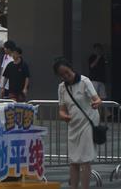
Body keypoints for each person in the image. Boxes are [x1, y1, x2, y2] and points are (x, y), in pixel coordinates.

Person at [55, 58, 103, 189]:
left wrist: (97, 103)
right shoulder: (62, 88)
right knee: (74, 160)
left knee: (85, 160)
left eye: (67, 73)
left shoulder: (84, 81)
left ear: (71, 69)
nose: (66, 76)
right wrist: (64, 116)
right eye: (62, 75)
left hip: (88, 122)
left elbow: (97, 99)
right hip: (73, 125)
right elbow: (62, 110)